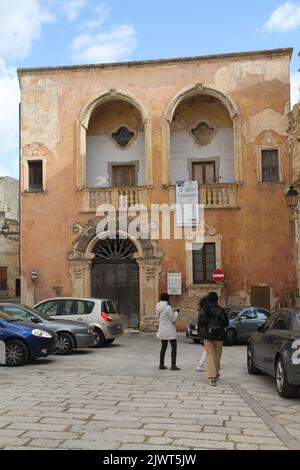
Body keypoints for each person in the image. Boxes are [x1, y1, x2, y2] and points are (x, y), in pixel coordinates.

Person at [202, 291, 229, 386]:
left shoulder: (205, 309)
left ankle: (212, 377)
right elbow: (226, 323)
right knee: (217, 355)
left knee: (210, 355)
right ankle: (216, 374)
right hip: (219, 335)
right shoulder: (221, 310)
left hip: (208, 335)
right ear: (216, 300)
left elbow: (202, 322)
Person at [156, 292, 180, 370]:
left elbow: (164, 315)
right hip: (170, 331)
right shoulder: (168, 307)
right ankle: (173, 365)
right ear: (167, 299)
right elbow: (173, 319)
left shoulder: (158, 306)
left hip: (162, 330)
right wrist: (176, 312)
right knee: (174, 347)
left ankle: (161, 364)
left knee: (163, 347)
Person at [196, 296, 208, 372]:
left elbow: (198, 322)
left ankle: (216, 362)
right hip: (206, 332)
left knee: (207, 348)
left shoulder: (202, 309)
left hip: (203, 331)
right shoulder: (205, 310)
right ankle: (200, 365)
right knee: (207, 349)